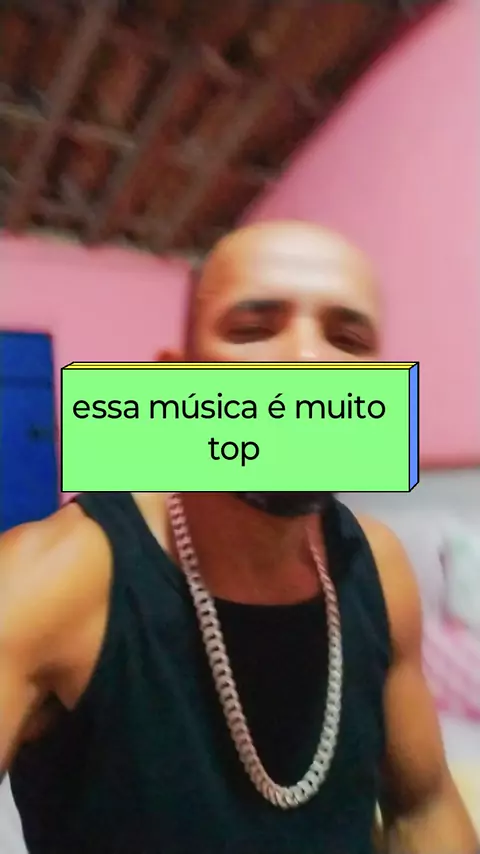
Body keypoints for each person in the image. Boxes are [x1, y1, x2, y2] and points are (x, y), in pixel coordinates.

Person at [0, 221, 477, 854]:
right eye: (252, 329)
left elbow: (424, 806)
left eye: (348, 339)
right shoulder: (48, 580)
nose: (308, 362)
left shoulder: (377, 567)